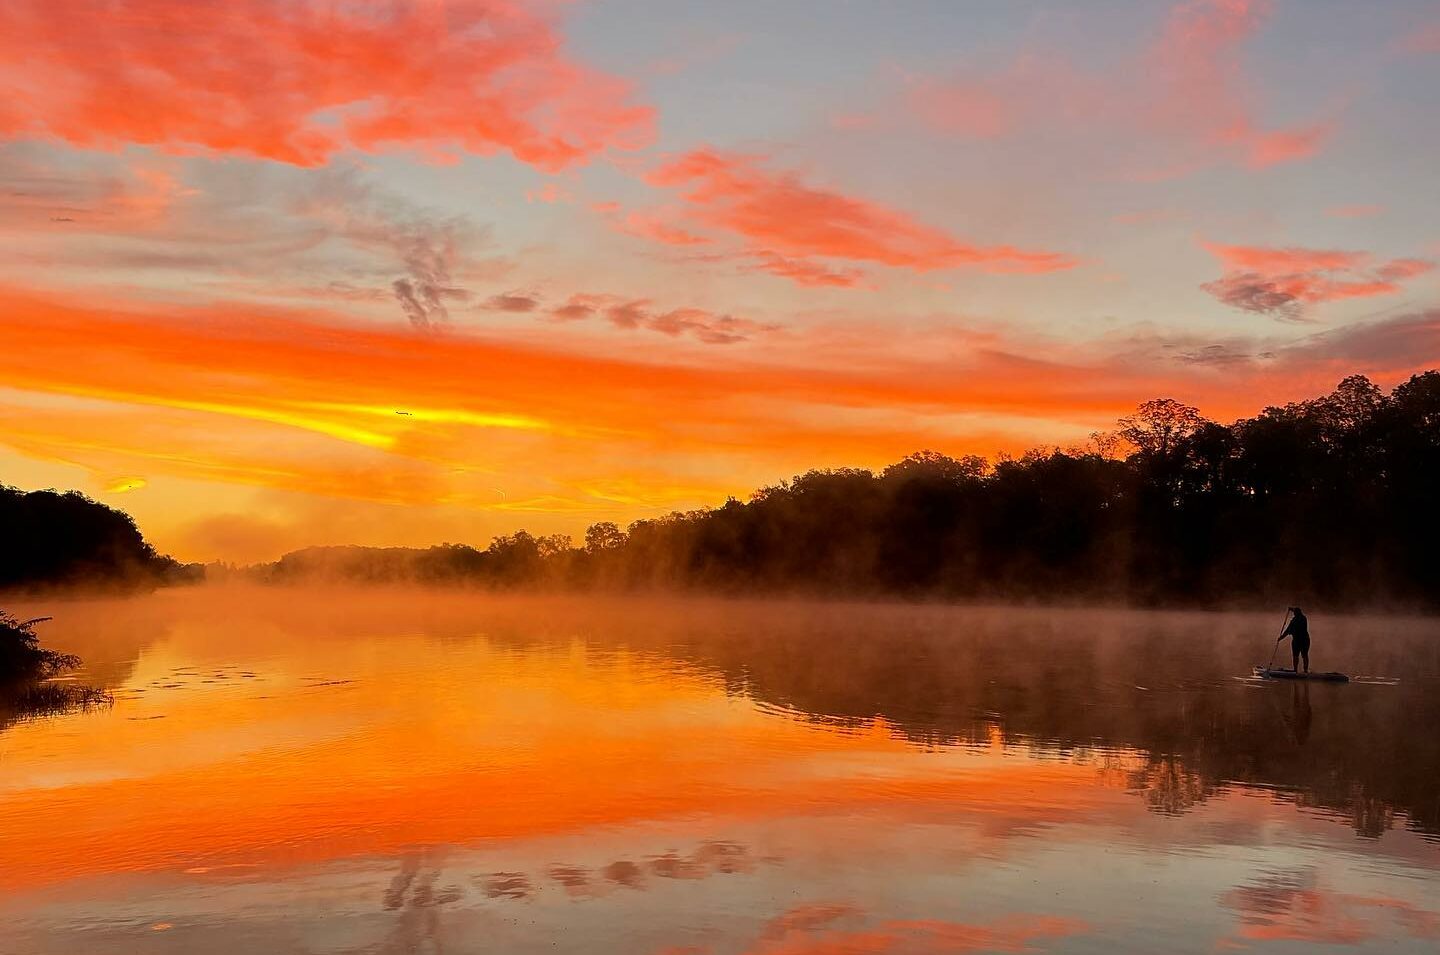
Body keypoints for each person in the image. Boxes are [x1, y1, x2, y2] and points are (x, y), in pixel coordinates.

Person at [1277, 606, 1310, 673]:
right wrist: (1291, 609)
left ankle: (1302, 670)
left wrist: (1281, 638)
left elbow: (1287, 631)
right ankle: (1299, 670)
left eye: (1294, 613)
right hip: (1300, 640)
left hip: (1302, 641)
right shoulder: (1303, 618)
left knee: (1302, 655)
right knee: (1298, 655)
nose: (1294, 614)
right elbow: (1287, 631)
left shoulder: (1296, 621)